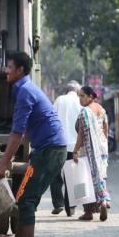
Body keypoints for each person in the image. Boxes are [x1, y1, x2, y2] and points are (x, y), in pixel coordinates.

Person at [0, 52, 67, 237]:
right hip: (47, 150)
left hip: (50, 151)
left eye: (9, 67)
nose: (6, 70)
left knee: (27, 201)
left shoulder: (24, 91)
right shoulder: (23, 88)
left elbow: (17, 133)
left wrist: (3, 165)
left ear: (20, 70)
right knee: (25, 199)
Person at [72, 86, 110, 221]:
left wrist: (75, 150)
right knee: (99, 176)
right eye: (79, 96)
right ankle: (103, 201)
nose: (80, 99)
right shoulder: (101, 109)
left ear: (90, 96)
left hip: (89, 150)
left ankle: (88, 212)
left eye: (82, 96)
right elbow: (106, 129)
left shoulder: (85, 112)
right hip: (102, 149)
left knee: (86, 179)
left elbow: (81, 134)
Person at [50, 80, 82, 216]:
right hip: (75, 145)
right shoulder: (81, 102)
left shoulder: (59, 100)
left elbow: (51, 118)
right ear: (78, 91)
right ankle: (71, 207)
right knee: (72, 176)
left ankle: (58, 204)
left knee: (55, 174)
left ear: (66, 90)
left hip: (58, 143)